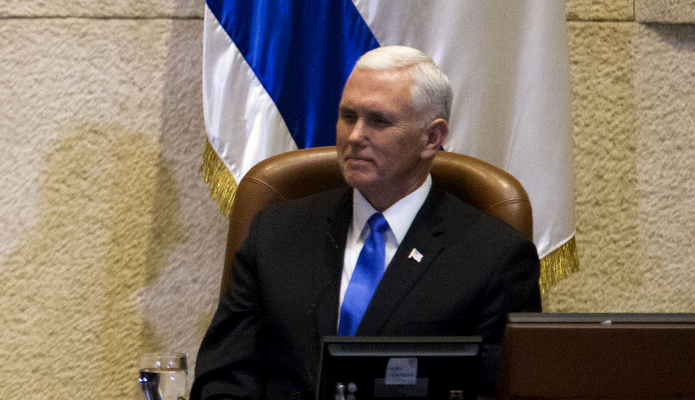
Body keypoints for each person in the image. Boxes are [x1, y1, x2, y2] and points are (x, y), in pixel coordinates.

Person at [191, 46, 541, 400]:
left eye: (378, 121)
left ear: (432, 137)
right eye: (348, 116)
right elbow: (223, 379)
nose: (355, 135)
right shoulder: (277, 233)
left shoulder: (495, 258)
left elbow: (498, 393)